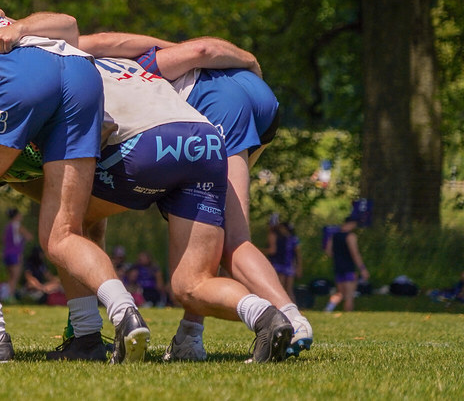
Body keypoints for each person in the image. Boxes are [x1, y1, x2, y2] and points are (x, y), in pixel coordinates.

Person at [14, 55, 293, 364]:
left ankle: (93, 331)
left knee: (65, 227)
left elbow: (90, 134)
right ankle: (266, 317)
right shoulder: (125, 63)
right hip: (208, 140)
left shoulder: (58, 74)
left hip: (151, 141)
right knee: (191, 284)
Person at [0, 6, 147, 364]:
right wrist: (13, 25)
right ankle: (113, 319)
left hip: (24, 73)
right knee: (65, 231)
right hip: (82, 73)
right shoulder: (5, 28)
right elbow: (70, 23)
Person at [77, 32, 314, 359]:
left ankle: (290, 317)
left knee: (231, 240)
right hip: (260, 102)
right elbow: (204, 48)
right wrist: (250, 63)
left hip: (217, 107)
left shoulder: (140, 68)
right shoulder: (144, 59)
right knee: (210, 232)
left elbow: (201, 49)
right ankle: (190, 335)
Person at [324, 212, 369, 312]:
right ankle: (348, 314)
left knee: (340, 293)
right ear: (352, 224)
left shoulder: (334, 236)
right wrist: (362, 269)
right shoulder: (350, 236)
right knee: (349, 295)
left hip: (338, 267)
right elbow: (355, 253)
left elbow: (328, 251)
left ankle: (328, 309)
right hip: (349, 268)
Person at [266, 214, 301, 300]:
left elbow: (272, 250)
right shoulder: (293, 239)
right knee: (288, 290)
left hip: (280, 264)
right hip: (289, 265)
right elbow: (298, 254)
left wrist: (258, 250)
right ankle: (292, 305)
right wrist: (298, 266)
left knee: (280, 288)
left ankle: (280, 304)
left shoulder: (276, 236)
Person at [1, 208, 32, 301]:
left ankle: (6, 295)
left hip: (6, 253)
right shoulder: (18, 226)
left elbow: (3, 239)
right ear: (17, 215)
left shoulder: (8, 226)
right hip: (15, 253)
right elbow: (29, 237)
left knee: (10, 276)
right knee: (15, 277)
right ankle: (10, 296)